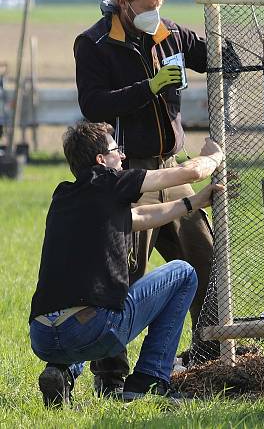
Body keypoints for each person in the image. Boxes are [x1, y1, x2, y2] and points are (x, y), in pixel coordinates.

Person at [74, 0, 216, 395]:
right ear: (123, 1)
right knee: (127, 273)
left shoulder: (167, 31)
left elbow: (211, 55)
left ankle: (208, 354)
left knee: (205, 255)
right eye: (146, 6)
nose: (154, 13)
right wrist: (149, 87)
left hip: (172, 166)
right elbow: (93, 105)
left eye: (159, 4)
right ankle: (110, 376)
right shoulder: (93, 43)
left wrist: (231, 54)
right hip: (127, 172)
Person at [29, 121, 225, 407]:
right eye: (115, 150)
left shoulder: (62, 196)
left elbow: (139, 219)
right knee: (183, 274)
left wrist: (191, 203)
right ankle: (150, 378)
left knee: (82, 311)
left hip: (43, 337)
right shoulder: (112, 182)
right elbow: (192, 171)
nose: (122, 156)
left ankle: (62, 370)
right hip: (90, 330)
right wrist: (215, 155)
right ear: (101, 160)